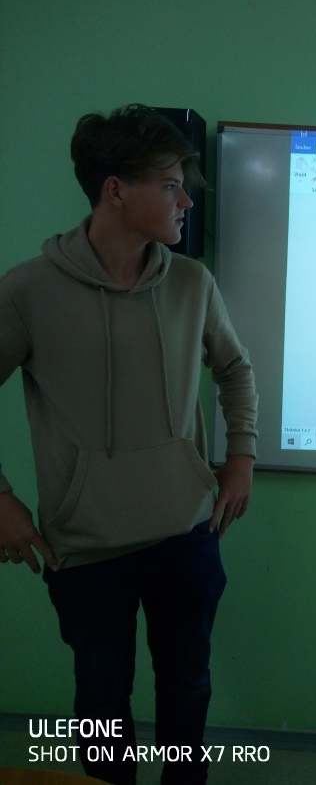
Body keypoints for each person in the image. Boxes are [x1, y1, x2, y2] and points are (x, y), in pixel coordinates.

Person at [0, 104, 258, 785]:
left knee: (188, 688)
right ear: (115, 190)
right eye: (171, 184)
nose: (186, 200)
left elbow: (234, 369)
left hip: (185, 533)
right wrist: (1, 500)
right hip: (86, 546)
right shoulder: (28, 290)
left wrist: (240, 457)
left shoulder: (191, 283)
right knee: (101, 703)